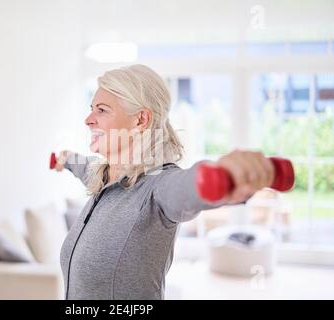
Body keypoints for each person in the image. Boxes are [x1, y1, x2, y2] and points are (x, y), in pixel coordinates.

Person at [53, 64, 274, 300]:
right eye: (91, 109)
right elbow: (83, 166)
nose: (88, 119)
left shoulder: (157, 186)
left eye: (102, 110)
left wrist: (226, 175)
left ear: (140, 120)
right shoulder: (103, 176)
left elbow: (186, 187)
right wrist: (64, 159)